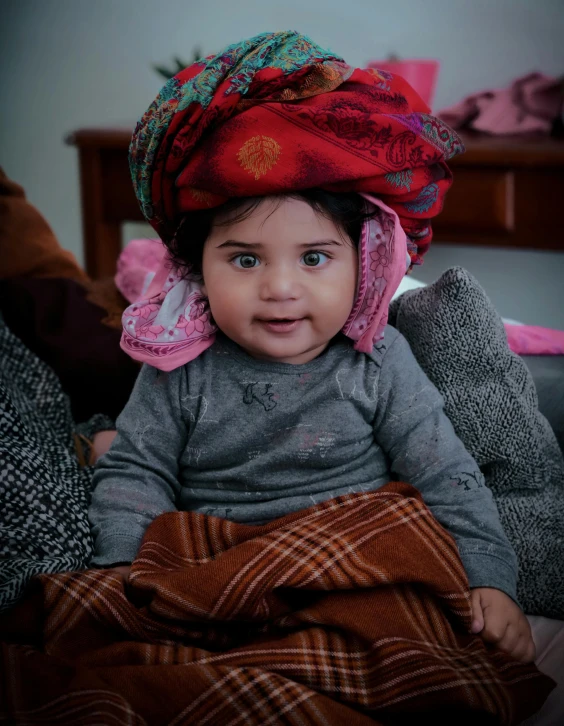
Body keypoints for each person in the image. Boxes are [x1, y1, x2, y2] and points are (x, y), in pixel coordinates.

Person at [89, 31, 535, 666]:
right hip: (221, 557)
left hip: (351, 548)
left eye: (316, 257)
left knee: (414, 616)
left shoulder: (377, 360)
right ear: (195, 269)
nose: (279, 288)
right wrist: (120, 575)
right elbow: (137, 473)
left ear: (367, 262)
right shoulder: (179, 367)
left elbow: (447, 476)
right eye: (244, 258)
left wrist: (492, 578)